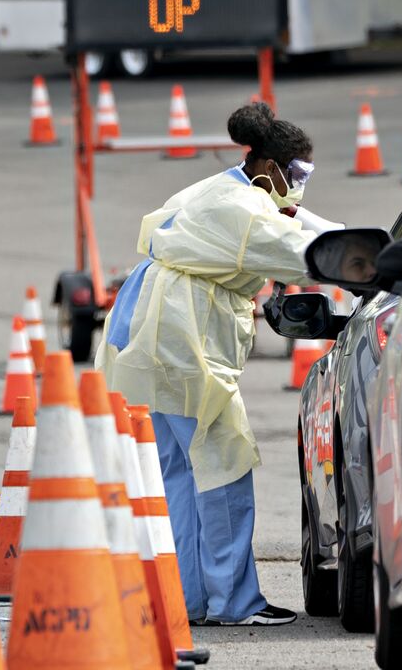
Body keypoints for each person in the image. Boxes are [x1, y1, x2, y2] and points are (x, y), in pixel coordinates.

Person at [96, 102, 342, 626]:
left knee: (176, 475)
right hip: (182, 345)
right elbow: (308, 251)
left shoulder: (220, 189)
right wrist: (377, 259)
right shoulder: (246, 212)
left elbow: (298, 222)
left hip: (142, 340)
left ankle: (184, 600)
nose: (299, 184)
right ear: (268, 165)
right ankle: (232, 602)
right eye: (296, 173)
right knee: (222, 464)